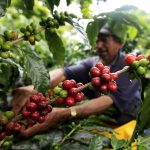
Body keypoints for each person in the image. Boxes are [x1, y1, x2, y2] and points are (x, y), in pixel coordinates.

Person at [12, 23, 141, 138]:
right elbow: (63, 73)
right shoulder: (93, 64)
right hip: (100, 123)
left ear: (119, 43)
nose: (98, 45)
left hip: (127, 125)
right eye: (97, 40)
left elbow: (107, 101)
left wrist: (66, 113)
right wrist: (35, 86)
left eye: (104, 40)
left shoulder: (127, 68)